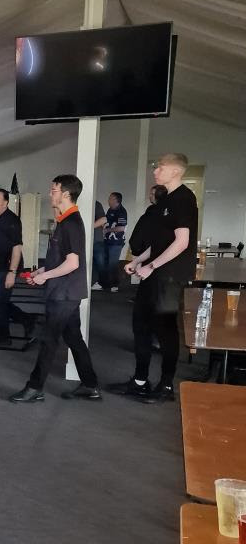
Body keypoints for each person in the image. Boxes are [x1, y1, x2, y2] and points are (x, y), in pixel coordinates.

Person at [111, 154, 198, 403]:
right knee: (141, 325)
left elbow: (182, 242)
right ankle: (140, 381)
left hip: (170, 276)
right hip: (154, 272)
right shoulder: (165, 201)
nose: (156, 170)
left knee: (165, 330)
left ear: (175, 172)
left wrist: (151, 266)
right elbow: (160, 243)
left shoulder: (184, 199)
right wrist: (138, 262)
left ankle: (166, 385)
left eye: (160, 167)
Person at [9, 175, 101, 403]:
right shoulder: (65, 221)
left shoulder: (71, 224)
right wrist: (41, 272)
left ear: (66, 194)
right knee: (74, 339)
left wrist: (45, 277)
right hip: (65, 291)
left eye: (54, 190)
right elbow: (60, 259)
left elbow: (73, 263)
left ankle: (34, 387)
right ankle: (90, 385)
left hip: (64, 293)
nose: (50, 194)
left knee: (48, 339)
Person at [0, 189, 34, 345]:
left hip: (7, 266)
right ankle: (26, 319)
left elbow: (17, 248)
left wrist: (12, 272)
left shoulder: (13, 221)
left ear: (5, 203)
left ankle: (4, 336)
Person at [98, 191, 128, 292]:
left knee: (113, 263)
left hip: (116, 242)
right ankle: (104, 284)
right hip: (107, 241)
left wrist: (107, 230)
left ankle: (115, 284)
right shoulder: (110, 210)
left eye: (110, 198)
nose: (108, 200)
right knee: (105, 262)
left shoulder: (122, 212)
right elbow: (107, 222)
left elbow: (121, 228)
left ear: (116, 200)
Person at [127, 185, 167, 260]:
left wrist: (136, 247)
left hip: (145, 252)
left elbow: (144, 231)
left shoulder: (157, 212)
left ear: (159, 195)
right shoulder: (151, 209)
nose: (150, 196)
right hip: (143, 250)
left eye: (152, 194)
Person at [90, 199, 106, 290]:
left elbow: (103, 219)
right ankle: (94, 282)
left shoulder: (96, 204)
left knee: (99, 262)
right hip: (89, 239)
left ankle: (101, 283)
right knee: (93, 262)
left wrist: (89, 227)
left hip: (97, 239)